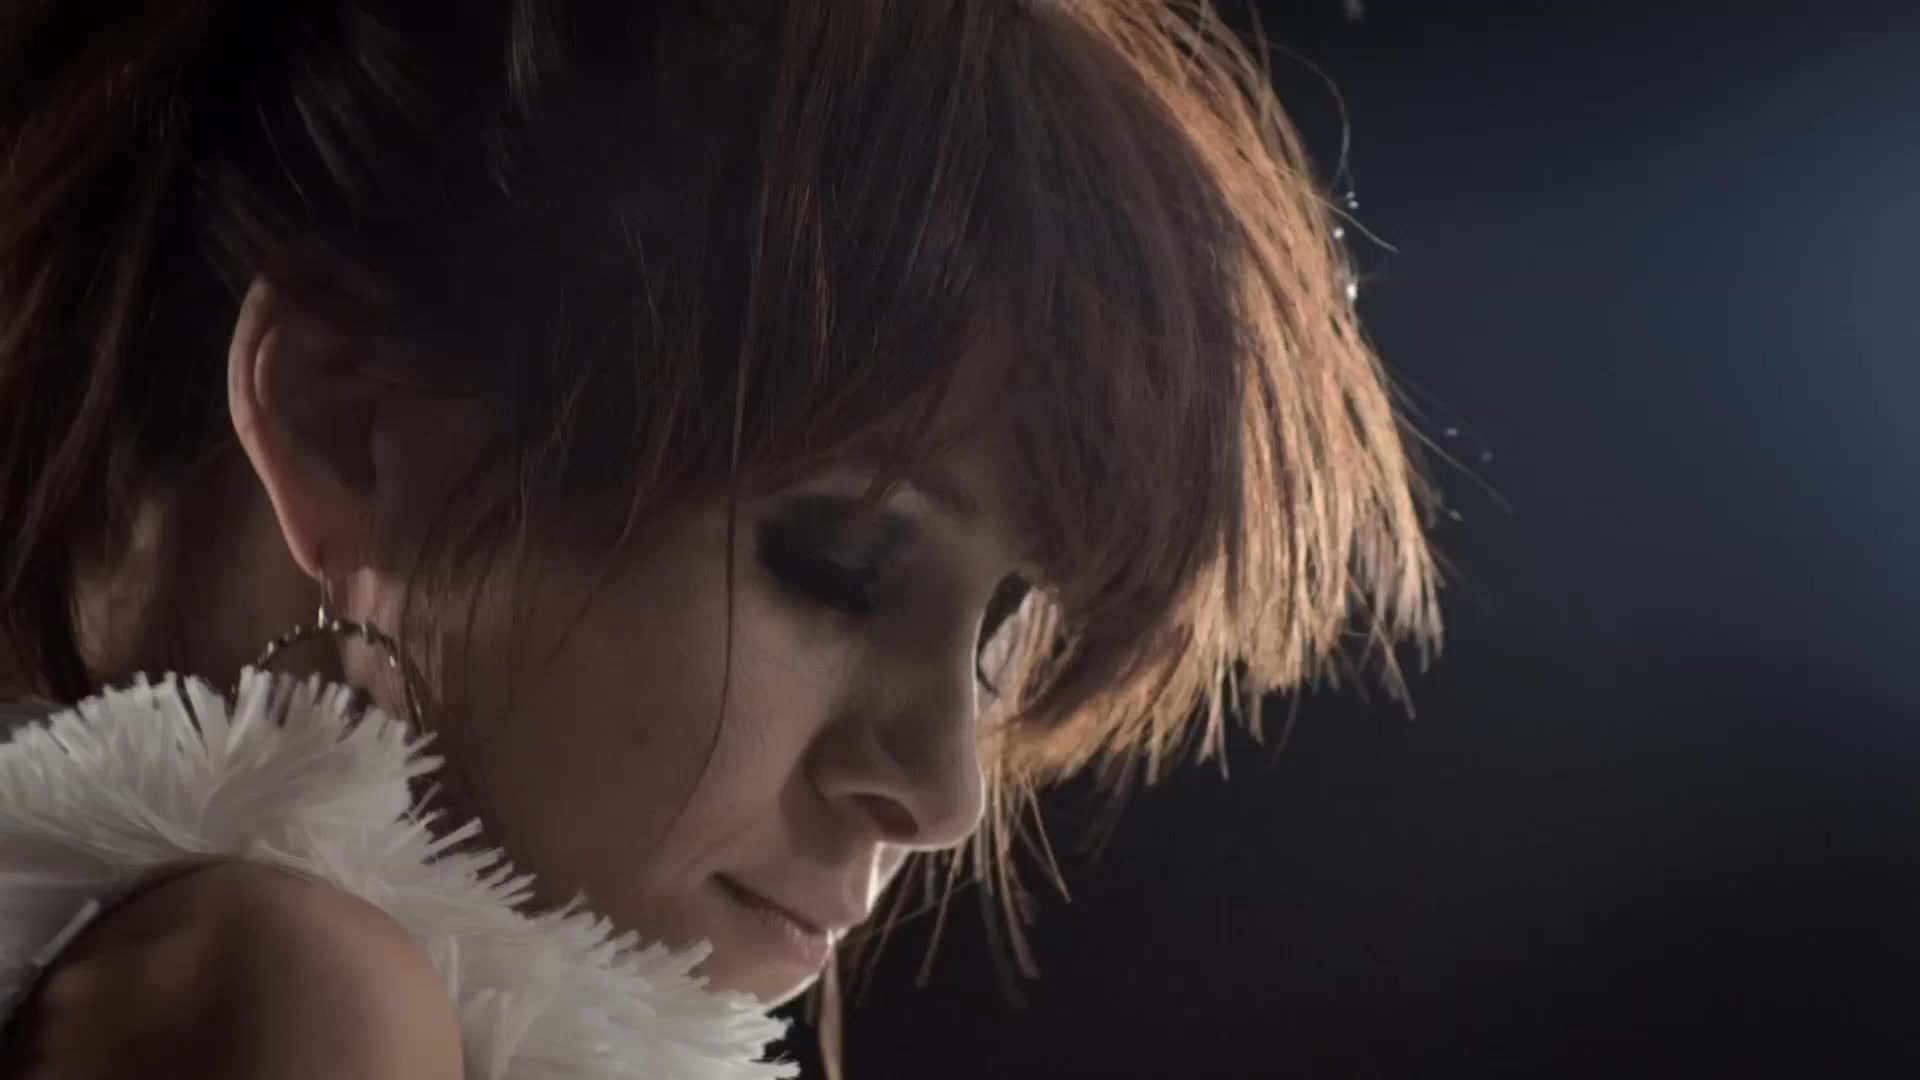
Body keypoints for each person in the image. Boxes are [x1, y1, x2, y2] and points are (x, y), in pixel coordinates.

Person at [0, 1, 1439, 1077]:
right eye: (842, 563)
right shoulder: (290, 995)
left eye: (1005, 621)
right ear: (347, 425)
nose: (940, 791)